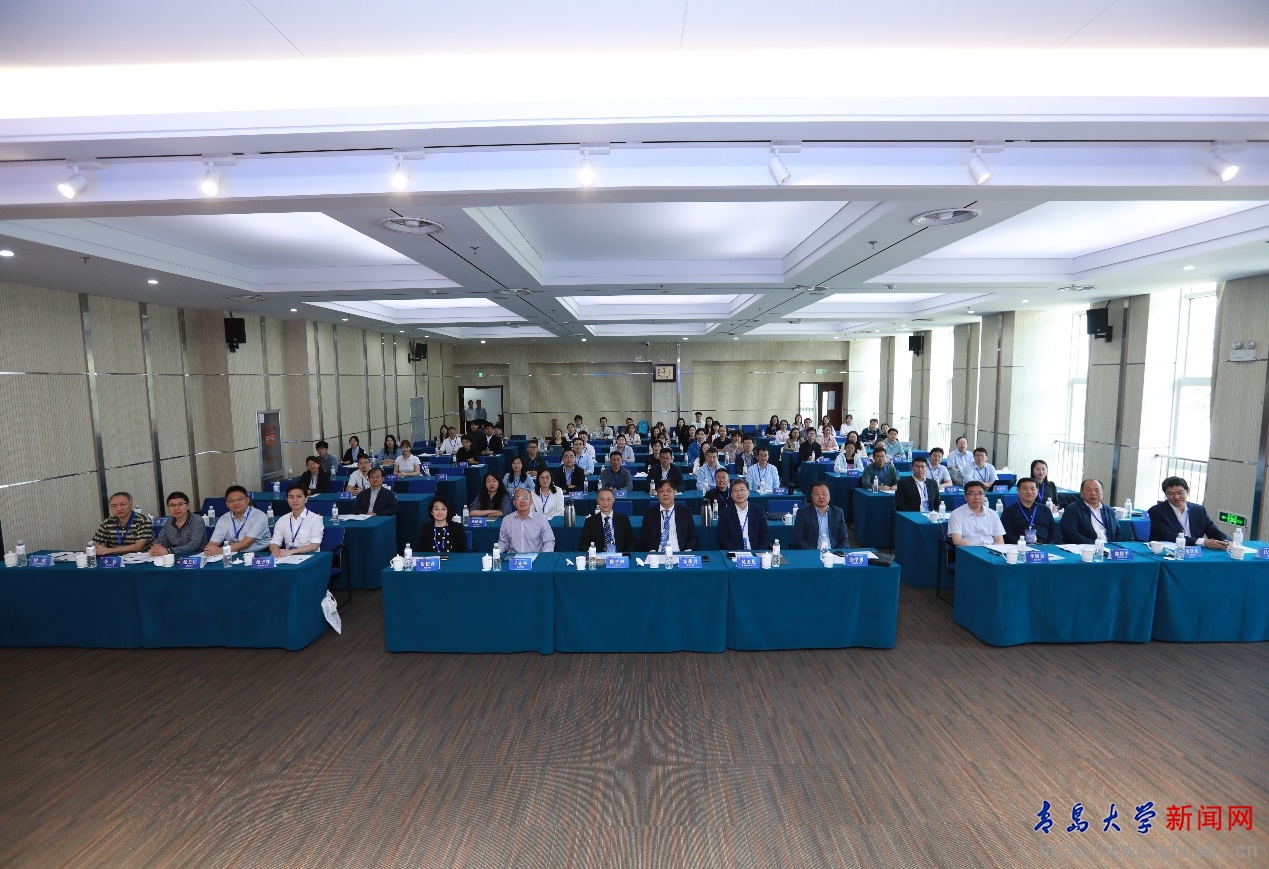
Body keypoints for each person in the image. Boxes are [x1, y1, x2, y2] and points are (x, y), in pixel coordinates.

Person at [1147, 476, 1232, 549]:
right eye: (1171, 494)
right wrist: (1203, 542)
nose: (1176, 497)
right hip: (1167, 551)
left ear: (1187, 491)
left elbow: (1212, 530)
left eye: (1180, 493)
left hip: (1195, 551)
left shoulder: (1199, 510)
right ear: (1166, 494)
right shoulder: (1156, 511)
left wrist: (1226, 540)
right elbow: (1167, 535)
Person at [205, 485, 270, 555]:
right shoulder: (223, 519)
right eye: (231, 501)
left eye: (240, 499)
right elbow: (214, 542)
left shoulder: (259, 516)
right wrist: (209, 549)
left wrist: (221, 550)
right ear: (227, 504)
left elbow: (247, 543)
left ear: (247, 500)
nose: (236, 503)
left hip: (259, 554)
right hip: (232, 553)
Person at [640, 480, 698, 551]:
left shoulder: (685, 512)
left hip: (680, 552)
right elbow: (645, 537)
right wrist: (652, 551)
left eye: (669, 491)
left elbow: (693, 536)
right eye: (661, 491)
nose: (665, 494)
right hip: (657, 553)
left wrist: (687, 551)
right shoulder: (649, 513)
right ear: (657, 494)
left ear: (675, 493)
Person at [1058, 479, 1121, 544]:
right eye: (1088, 490)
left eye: (1097, 490)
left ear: (1102, 492)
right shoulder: (1072, 509)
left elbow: (1118, 532)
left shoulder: (1109, 510)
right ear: (1081, 493)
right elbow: (1070, 534)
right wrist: (1094, 544)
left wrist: (1113, 545)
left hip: (1108, 546)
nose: (1093, 493)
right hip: (1085, 547)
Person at [1001, 477, 1061, 545]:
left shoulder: (1045, 510)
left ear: (1037, 491)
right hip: (1019, 546)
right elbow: (1006, 533)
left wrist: (1049, 544)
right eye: (1025, 488)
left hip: (1045, 546)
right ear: (1018, 491)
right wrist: (1021, 544)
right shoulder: (1009, 511)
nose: (1029, 492)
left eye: (1032, 489)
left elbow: (1054, 531)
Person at [269, 484, 325, 556]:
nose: (295, 500)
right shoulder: (282, 520)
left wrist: (292, 551)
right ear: (287, 500)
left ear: (306, 499)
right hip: (288, 557)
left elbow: (315, 545)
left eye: (299, 496)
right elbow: (274, 542)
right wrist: (275, 550)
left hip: (310, 557)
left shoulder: (315, 519)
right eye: (291, 497)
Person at [790, 482, 848, 549]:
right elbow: (798, 540)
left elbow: (844, 539)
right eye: (817, 494)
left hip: (833, 552)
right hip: (811, 552)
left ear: (829, 496)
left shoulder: (838, 512)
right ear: (812, 496)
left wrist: (837, 552)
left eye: (824, 494)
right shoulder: (803, 513)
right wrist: (815, 553)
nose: (821, 497)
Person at [148, 491, 207, 558]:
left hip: (195, 558)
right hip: (174, 557)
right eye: (172, 505)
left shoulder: (197, 520)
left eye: (180, 504)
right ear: (168, 508)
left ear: (188, 506)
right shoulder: (169, 522)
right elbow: (160, 542)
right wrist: (155, 549)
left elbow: (194, 545)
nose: (176, 509)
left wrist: (169, 551)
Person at [578, 488, 638, 553]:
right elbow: (583, 545)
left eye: (608, 499)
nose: (605, 503)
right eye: (602, 499)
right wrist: (593, 554)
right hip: (599, 556)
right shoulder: (590, 521)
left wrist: (624, 555)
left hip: (619, 556)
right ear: (597, 501)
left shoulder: (623, 519)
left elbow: (632, 542)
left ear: (613, 500)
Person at [718, 479, 771, 551]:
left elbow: (765, 534)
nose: (739, 493)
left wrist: (759, 552)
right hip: (735, 552)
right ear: (731, 494)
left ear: (748, 492)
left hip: (756, 551)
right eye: (735, 490)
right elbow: (723, 538)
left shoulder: (758, 510)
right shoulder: (724, 513)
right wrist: (738, 552)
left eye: (742, 489)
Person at [948, 481, 1006, 546]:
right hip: (968, 549)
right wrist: (976, 550)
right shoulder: (956, 514)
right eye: (972, 494)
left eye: (980, 493)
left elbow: (999, 540)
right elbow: (957, 540)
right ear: (965, 497)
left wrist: (991, 550)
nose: (977, 497)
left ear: (984, 495)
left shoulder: (993, 514)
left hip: (990, 549)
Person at [498, 488, 555, 553]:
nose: (522, 501)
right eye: (519, 498)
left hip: (535, 556)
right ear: (514, 502)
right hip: (513, 557)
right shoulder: (507, 520)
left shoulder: (540, 519)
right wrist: (497, 552)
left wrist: (544, 555)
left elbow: (549, 541)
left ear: (531, 501)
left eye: (526, 498)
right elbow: (503, 542)